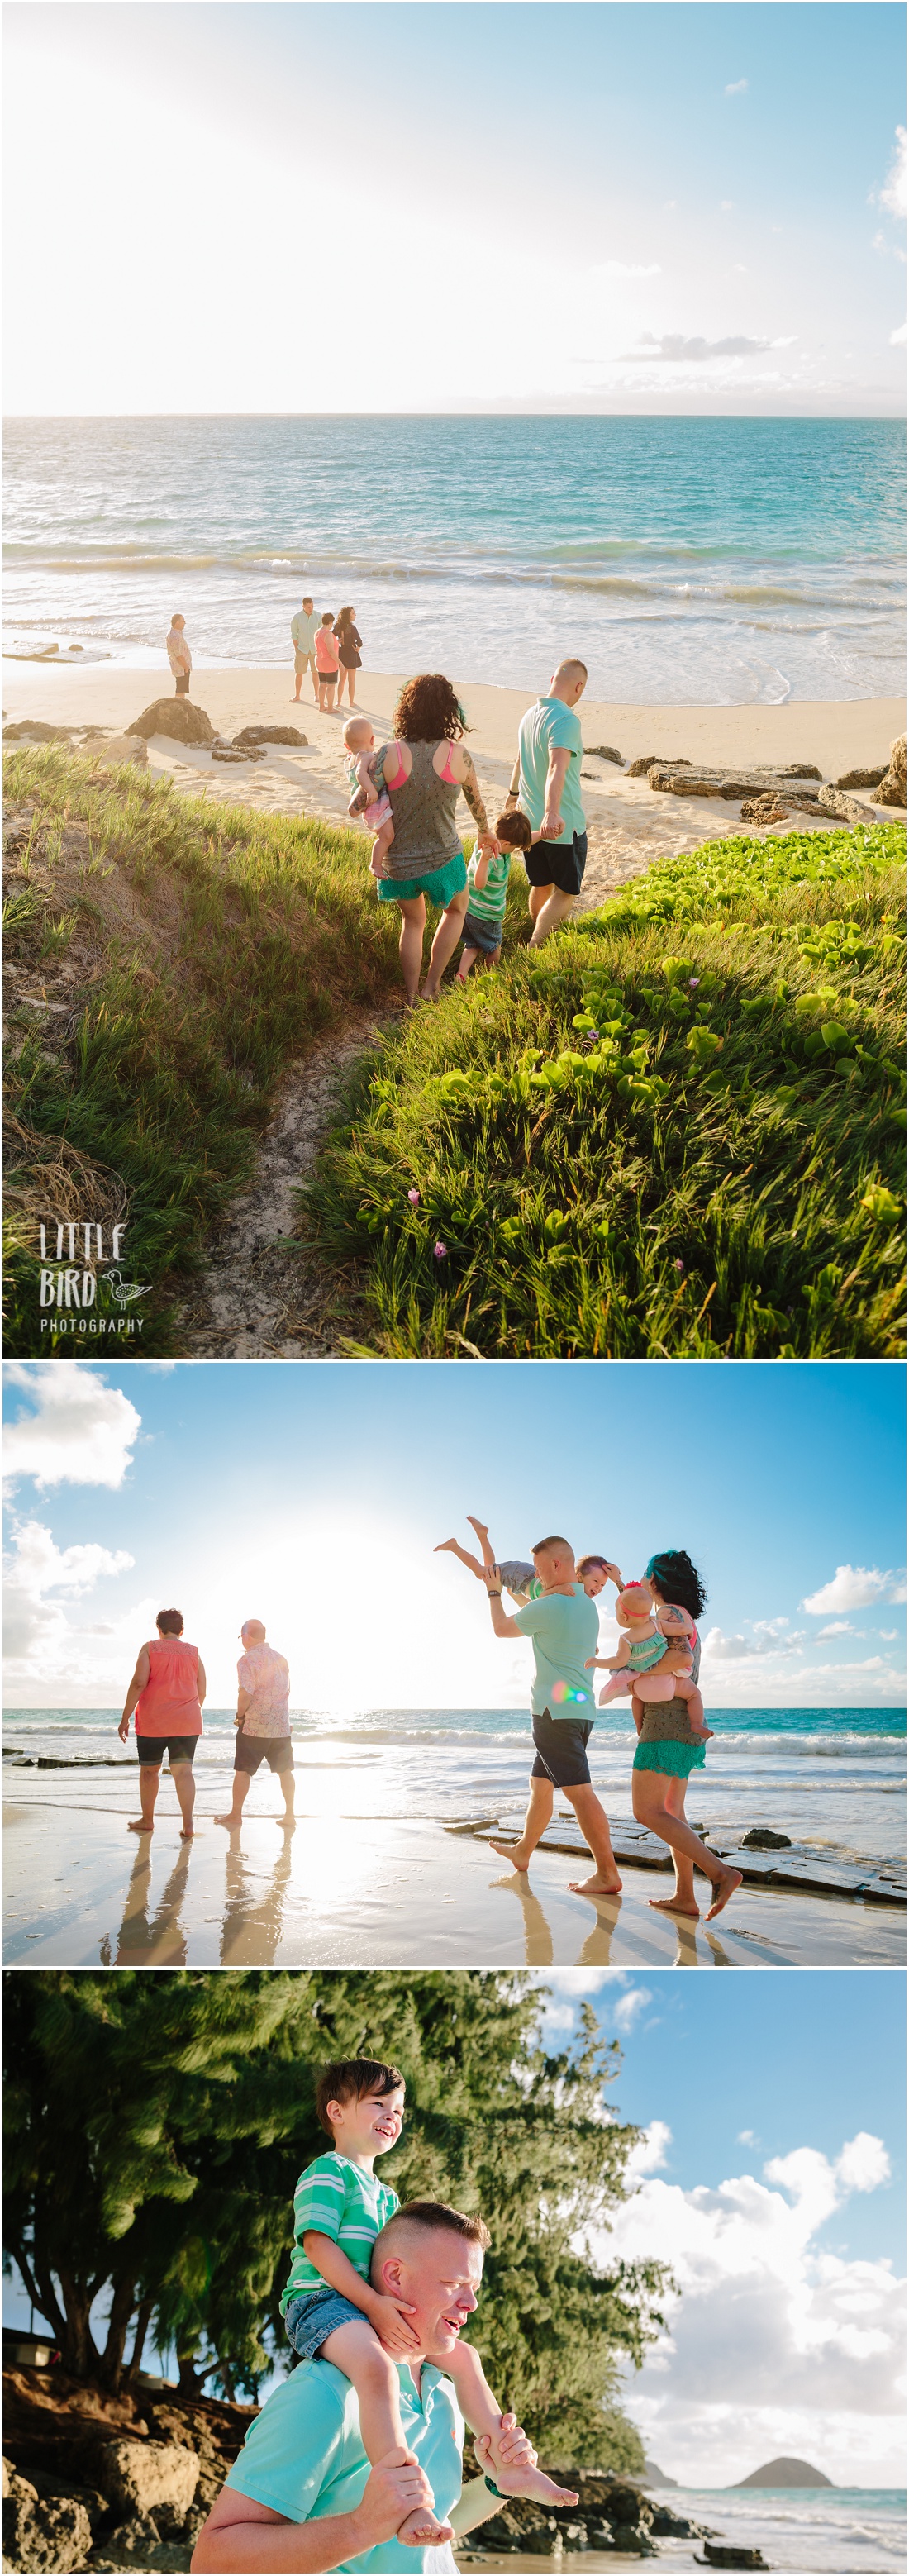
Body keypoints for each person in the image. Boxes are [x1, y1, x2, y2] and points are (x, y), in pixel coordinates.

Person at [192, 2197, 577, 2575]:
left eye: (473, 2286)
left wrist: (499, 2486)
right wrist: (360, 2527)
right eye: (455, 2283)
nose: (471, 2303)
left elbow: (430, 2535)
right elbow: (213, 2561)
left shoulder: (442, 2392)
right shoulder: (324, 2393)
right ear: (395, 2276)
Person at [278, 2060, 572, 2550]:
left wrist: (391, 2306)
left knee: (466, 2358)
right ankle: (406, 2497)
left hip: (374, 2307)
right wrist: (373, 2304)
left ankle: (514, 2467)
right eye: (378, 2105)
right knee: (375, 2369)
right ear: (336, 2112)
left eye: (398, 2109)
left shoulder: (388, 2196)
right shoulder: (328, 2172)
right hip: (322, 2303)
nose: (392, 2116)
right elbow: (318, 2247)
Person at [484, 1536, 622, 1898]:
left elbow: (501, 1629)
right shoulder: (586, 1604)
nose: (538, 1577)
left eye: (542, 1570)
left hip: (553, 1715)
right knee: (541, 1786)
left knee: (581, 1795)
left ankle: (608, 1874)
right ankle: (523, 1852)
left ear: (557, 1565)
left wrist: (494, 1592)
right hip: (579, 1711)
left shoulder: (551, 1604)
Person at [624, 1548, 743, 1924]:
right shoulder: (682, 1616)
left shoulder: (667, 1613)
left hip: (665, 1721)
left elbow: (679, 1661)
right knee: (673, 1811)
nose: (642, 1581)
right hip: (681, 1722)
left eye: (646, 1575)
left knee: (646, 1811)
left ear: (655, 1580)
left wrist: (637, 1668)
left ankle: (721, 1873)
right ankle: (685, 1896)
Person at [378, 675, 499, 1006]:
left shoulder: (388, 753)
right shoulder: (457, 755)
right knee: (456, 910)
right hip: (444, 858)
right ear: (448, 710)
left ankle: (411, 996)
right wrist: (485, 830)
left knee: (413, 922)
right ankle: (432, 987)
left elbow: (362, 803)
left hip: (398, 861)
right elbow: (475, 800)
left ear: (406, 709)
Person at [504, 659, 588, 943]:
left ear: (552, 678)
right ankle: (536, 946)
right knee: (565, 892)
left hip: (529, 819)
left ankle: (535, 934)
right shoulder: (566, 720)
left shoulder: (530, 714)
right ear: (579, 687)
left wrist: (511, 799)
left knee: (541, 884)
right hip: (561, 825)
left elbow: (518, 761)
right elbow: (556, 767)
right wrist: (552, 813)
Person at [117, 1608, 205, 1840]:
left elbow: (138, 1683)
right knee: (184, 1772)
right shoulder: (194, 1653)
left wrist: (125, 1718)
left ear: (159, 1629)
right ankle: (188, 1825)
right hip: (187, 1722)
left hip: (153, 1721)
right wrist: (186, 1711)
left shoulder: (150, 1648)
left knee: (149, 1771)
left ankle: (147, 1820)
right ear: (181, 1630)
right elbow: (202, 1691)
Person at [588, 1583, 710, 1732]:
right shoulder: (658, 1625)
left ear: (624, 1617)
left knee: (636, 1699)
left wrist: (598, 1662)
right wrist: (689, 1628)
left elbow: (619, 1661)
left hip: (641, 1688)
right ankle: (697, 1724)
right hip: (667, 1683)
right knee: (694, 1695)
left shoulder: (625, 1639)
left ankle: (639, 1726)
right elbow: (681, 1629)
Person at [213, 1619, 294, 1833]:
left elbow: (245, 1693)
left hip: (254, 1726)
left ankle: (236, 1815)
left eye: (242, 1637)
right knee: (285, 1771)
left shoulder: (247, 1660)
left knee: (243, 1771)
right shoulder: (281, 1659)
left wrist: (240, 1716)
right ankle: (290, 1815)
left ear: (247, 1636)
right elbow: (287, 1691)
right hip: (280, 1727)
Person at [435, 1515, 617, 1605]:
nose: (598, 1588)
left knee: (491, 1570)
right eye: (595, 1581)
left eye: (602, 1585)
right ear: (579, 1576)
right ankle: (455, 1546)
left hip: (523, 1579)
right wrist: (560, 1589)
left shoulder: (576, 1596)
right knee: (482, 1573)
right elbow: (546, 1596)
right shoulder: (568, 1587)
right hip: (522, 1577)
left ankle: (482, 1535)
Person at [454, 810, 532, 982]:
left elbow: (524, 839)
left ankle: (461, 974)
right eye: (514, 848)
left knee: (473, 945)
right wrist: (484, 861)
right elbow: (480, 882)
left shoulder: (485, 841)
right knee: (494, 948)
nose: (514, 851)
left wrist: (544, 833)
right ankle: (490, 978)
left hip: (470, 909)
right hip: (486, 916)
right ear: (505, 843)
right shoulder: (493, 858)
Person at [344, 717, 395, 878]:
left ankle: (377, 862)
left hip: (368, 806)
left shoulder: (350, 759)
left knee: (385, 835)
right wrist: (371, 790)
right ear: (373, 739)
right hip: (374, 803)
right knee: (387, 836)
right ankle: (375, 864)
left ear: (347, 745)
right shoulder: (365, 756)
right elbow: (360, 774)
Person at [292, 597, 321, 703]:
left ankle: (317, 695)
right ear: (303, 606)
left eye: (312, 606)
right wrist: (297, 649)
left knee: (316, 673)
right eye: (308, 607)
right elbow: (294, 634)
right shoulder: (297, 617)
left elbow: (321, 634)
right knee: (299, 673)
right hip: (301, 650)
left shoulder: (318, 616)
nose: (311, 609)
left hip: (315, 650)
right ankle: (297, 695)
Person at [335, 607, 364, 710]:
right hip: (351, 654)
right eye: (353, 613)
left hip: (341, 653)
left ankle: (338, 702)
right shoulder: (352, 628)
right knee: (351, 681)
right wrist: (358, 647)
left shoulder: (337, 626)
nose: (355, 615)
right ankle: (351, 702)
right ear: (348, 615)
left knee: (341, 680)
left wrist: (338, 642)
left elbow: (332, 637)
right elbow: (359, 641)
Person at [316, 613, 342, 710]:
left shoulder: (318, 632)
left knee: (322, 685)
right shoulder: (328, 634)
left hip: (319, 661)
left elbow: (323, 645)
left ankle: (322, 706)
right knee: (331, 687)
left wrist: (337, 642)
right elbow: (331, 651)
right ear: (330, 622)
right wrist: (340, 664)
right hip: (329, 663)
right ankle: (330, 708)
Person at [166, 615, 192, 698]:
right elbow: (179, 656)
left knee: (181, 689)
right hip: (181, 667)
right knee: (180, 690)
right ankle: (179, 706)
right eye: (183, 621)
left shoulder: (174, 633)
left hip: (180, 666)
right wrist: (186, 667)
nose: (185, 623)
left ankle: (180, 704)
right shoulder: (175, 636)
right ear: (177, 623)